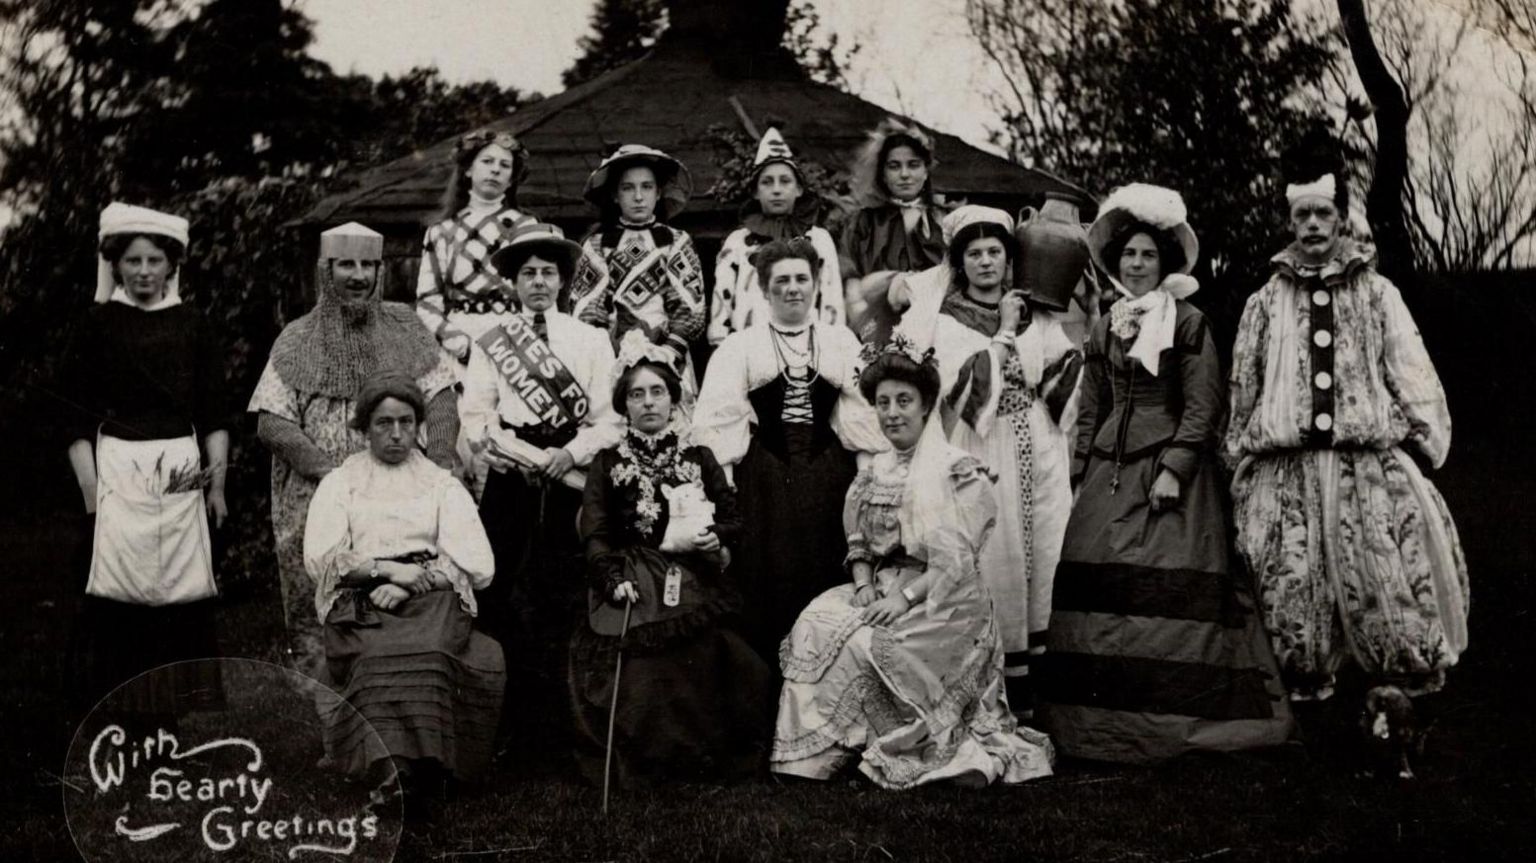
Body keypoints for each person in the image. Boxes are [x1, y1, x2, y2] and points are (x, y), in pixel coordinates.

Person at [1035, 184, 1293, 763]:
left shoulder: (1190, 323)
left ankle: (1162, 727)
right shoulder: (1107, 325)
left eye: (1149, 255)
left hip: (1168, 470)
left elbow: (1203, 407)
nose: (1138, 264)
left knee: (1165, 590)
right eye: (1129, 255)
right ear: (1117, 261)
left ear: (1166, 262)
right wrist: (1080, 468)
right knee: (1098, 581)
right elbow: (1093, 405)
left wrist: (1175, 468)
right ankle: (1093, 728)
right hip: (1109, 472)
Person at [1226, 143, 1469, 706]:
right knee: (1290, 582)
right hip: (1286, 470)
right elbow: (1246, 379)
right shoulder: (1265, 303)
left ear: (1341, 220)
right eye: (1302, 216)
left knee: (1386, 575)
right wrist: (1237, 451)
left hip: (1364, 464)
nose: (1312, 226)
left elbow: (1409, 362)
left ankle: (1400, 687)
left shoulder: (1377, 293)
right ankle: (1305, 688)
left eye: (1323, 215)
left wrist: (1423, 434)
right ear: (1289, 223)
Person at [770, 342, 1056, 788]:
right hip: (886, 585)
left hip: (948, 599)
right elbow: (860, 544)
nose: (892, 413)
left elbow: (956, 562)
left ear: (925, 408)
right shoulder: (872, 472)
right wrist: (864, 587)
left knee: (871, 641)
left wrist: (904, 598)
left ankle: (904, 748)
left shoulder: (958, 470)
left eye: (904, 401)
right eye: (883, 403)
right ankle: (817, 759)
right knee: (817, 621)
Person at [249, 222, 458, 685]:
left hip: (398, 490)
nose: (358, 275)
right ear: (327, 271)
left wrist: (440, 463)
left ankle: (393, 693)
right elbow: (272, 421)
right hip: (315, 493)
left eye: (367, 265)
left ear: (380, 271)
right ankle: (324, 706)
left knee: (400, 585)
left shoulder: (408, 328)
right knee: (319, 593)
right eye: (347, 264)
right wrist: (332, 474)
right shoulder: (296, 338)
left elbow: (442, 399)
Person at [568, 330, 773, 784]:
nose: (647, 403)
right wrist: (608, 576)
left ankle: (699, 761)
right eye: (636, 394)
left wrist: (714, 538)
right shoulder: (606, 462)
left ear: (673, 400)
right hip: (632, 574)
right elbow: (596, 531)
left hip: (693, 575)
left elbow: (732, 516)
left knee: (724, 656)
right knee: (642, 665)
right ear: (624, 404)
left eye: (657, 392)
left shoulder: (699, 456)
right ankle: (645, 763)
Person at [901, 205, 1082, 718]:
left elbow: (1062, 371)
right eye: (974, 254)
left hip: (1040, 447)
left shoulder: (1037, 313)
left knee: (1045, 552)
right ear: (960, 263)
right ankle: (994, 691)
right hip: (983, 449)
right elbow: (964, 392)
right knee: (995, 557)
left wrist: (1059, 357)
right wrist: (1004, 332)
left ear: (1009, 260)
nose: (985, 263)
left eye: (994, 253)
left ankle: (1042, 695)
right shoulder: (947, 321)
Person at [304, 373, 503, 816]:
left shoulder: (440, 483)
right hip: (361, 596)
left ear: (420, 427)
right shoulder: (342, 483)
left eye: (406, 423)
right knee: (376, 655)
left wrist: (418, 578)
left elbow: (479, 564)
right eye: (383, 423)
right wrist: (386, 571)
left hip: (431, 592)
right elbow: (323, 557)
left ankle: (424, 768)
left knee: (429, 649)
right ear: (364, 428)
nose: (396, 434)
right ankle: (393, 770)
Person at [460, 221, 623, 759]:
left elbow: (608, 422)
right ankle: (510, 726)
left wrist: (567, 455)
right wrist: (525, 458)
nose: (538, 282)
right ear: (513, 282)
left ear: (563, 280)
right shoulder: (493, 343)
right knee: (500, 594)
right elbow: (478, 418)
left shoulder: (591, 339)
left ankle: (567, 726)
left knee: (564, 595)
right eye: (527, 273)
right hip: (511, 481)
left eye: (548, 272)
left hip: (571, 478)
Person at [64, 202, 231, 712]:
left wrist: (217, 486)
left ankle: (169, 718)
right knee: (118, 597)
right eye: (132, 261)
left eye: (154, 261)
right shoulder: (97, 325)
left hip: (180, 471)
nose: (143, 271)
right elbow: (73, 422)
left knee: (177, 594)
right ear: (115, 265)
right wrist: (95, 500)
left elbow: (215, 413)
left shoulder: (194, 325)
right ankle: (121, 714)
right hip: (117, 470)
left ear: (171, 265)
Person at [694, 238, 886, 662]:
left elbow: (862, 422)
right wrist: (725, 504)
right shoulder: (739, 347)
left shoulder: (841, 341)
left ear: (817, 284)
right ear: (764, 289)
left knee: (825, 575)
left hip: (828, 480)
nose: (793, 288)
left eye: (802, 278)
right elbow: (719, 431)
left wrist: (867, 485)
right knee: (769, 582)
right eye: (781, 280)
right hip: (764, 483)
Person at [414, 130, 538, 495]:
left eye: (505, 165)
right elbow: (426, 300)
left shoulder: (527, 227)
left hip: (513, 341)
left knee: (508, 434)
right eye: (487, 161)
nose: (495, 170)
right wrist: (462, 344)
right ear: (468, 169)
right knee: (456, 438)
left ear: (513, 177)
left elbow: (537, 292)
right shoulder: (442, 233)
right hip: (458, 345)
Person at [567, 144, 706, 405]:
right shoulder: (597, 244)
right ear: (615, 195)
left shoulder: (675, 241)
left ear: (659, 192)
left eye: (647, 187)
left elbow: (690, 307)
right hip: (612, 354)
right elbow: (587, 306)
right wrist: (610, 353)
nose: (638, 196)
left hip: (667, 352)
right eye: (628, 188)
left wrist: (667, 352)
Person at [709, 127, 844, 345]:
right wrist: (721, 343)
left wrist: (833, 343)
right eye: (767, 182)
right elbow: (723, 294)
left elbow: (831, 296)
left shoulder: (818, 239)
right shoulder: (739, 241)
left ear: (799, 189)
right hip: (749, 344)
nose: (777, 189)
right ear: (755, 191)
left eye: (785, 181)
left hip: (808, 344)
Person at [839, 118, 948, 342]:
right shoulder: (862, 222)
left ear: (926, 171)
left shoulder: (943, 222)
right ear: (883, 175)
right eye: (894, 166)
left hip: (935, 329)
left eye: (914, 165)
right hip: (875, 330)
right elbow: (850, 282)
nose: (905, 174)